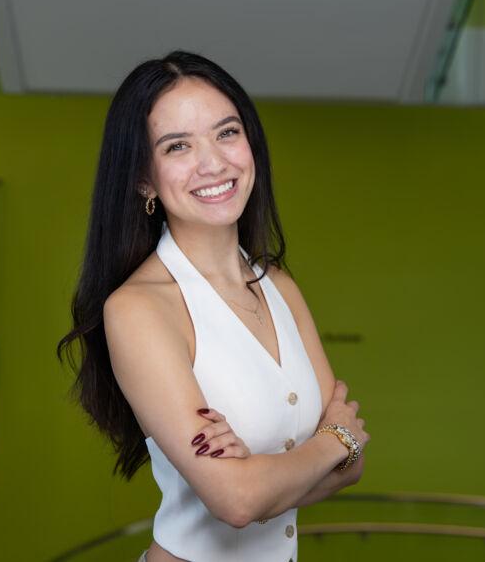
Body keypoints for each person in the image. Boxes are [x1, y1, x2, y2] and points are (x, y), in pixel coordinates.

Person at [57, 50, 369, 562]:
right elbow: (237, 500)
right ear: (143, 179)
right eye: (178, 146)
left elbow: (350, 472)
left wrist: (265, 476)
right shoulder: (138, 309)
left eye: (227, 132)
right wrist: (335, 440)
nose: (214, 162)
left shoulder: (281, 287)